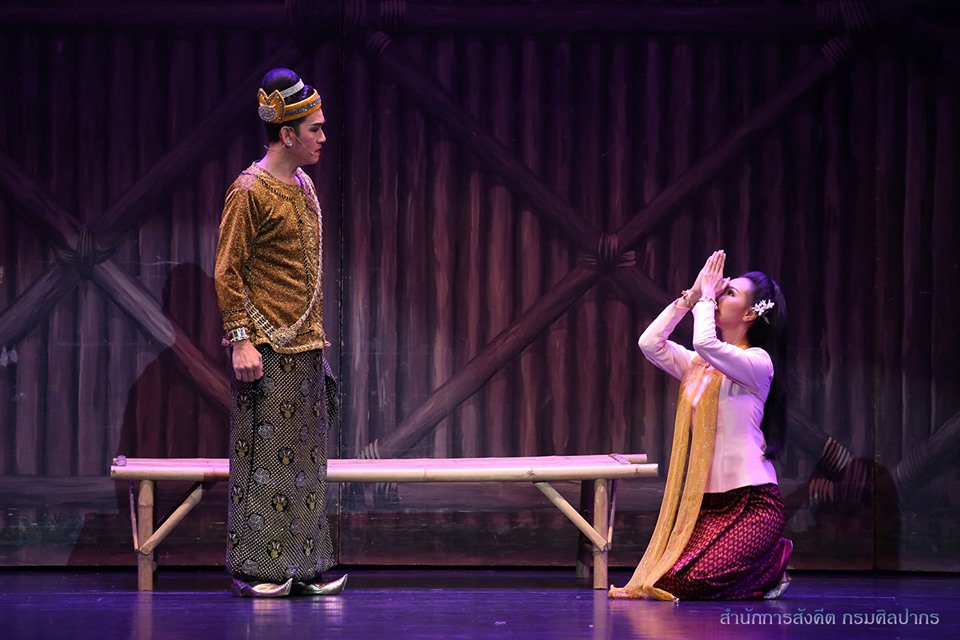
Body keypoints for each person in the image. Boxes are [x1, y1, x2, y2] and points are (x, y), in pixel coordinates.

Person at [214, 67, 345, 598]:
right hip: (267, 348)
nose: (323, 136)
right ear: (287, 134)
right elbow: (228, 269)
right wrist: (241, 339)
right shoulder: (250, 191)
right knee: (265, 461)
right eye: (315, 129)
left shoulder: (304, 185)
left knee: (306, 463)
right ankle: (258, 567)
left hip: (307, 344)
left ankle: (306, 563)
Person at [609, 250, 792, 601]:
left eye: (729, 293)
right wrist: (691, 297)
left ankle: (772, 562)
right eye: (720, 291)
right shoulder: (699, 367)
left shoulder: (757, 363)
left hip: (752, 502)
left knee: (691, 582)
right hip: (708, 504)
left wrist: (706, 298)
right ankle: (759, 567)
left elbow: (704, 342)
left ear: (750, 313)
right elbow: (650, 343)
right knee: (664, 579)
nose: (719, 296)